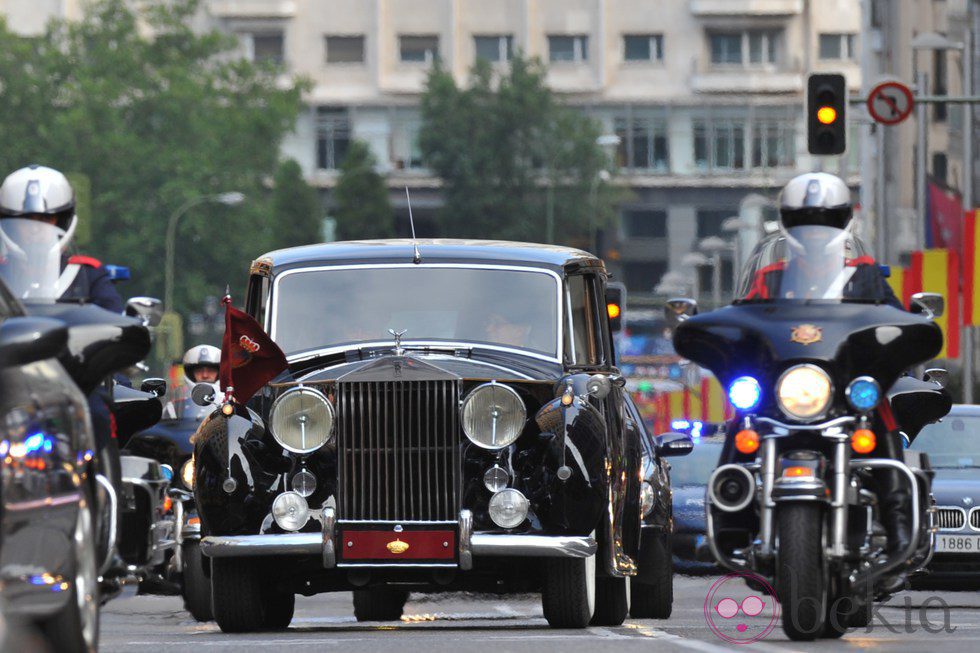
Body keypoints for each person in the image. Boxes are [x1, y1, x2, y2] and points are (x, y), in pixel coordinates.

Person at [743, 172, 902, 309]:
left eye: (827, 222)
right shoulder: (770, 277)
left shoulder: (864, 273)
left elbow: (898, 323)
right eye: (803, 223)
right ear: (789, 224)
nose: (815, 230)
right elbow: (744, 321)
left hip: (848, 345)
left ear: (843, 222)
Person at [0, 164, 123, 311]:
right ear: (11, 226)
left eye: (45, 219)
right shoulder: (2, 272)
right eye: (26, 220)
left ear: (62, 222)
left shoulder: (87, 275)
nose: (35, 228)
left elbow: (115, 323)